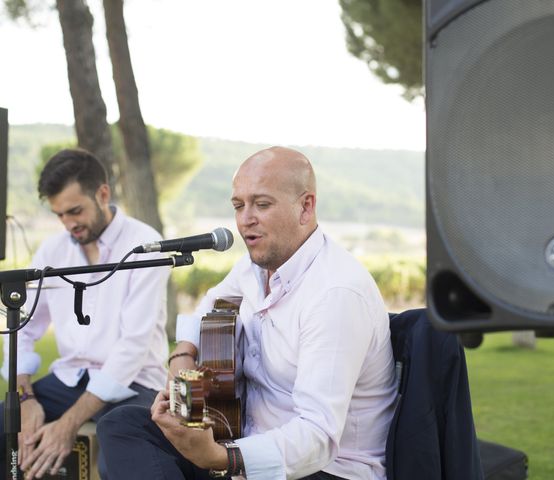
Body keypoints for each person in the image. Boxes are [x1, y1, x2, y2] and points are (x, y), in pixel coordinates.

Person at [97, 146, 398, 479]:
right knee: (122, 425)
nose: (245, 220)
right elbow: (210, 303)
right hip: (238, 442)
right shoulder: (257, 267)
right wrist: (182, 359)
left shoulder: (336, 295)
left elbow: (317, 436)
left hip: (323, 470)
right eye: (239, 206)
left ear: (306, 207)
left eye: (262, 204)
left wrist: (219, 457)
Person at [0, 148, 171, 479]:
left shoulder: (145, 245)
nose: (68, 224)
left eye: (75, 211)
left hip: (134, 383)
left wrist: (67, 424)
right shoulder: (52, 250)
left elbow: (132, 348)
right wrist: (25, 397)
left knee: (119, 444)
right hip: (69, 378)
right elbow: (23, 328)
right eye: (59, 214)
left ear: (102, 193)